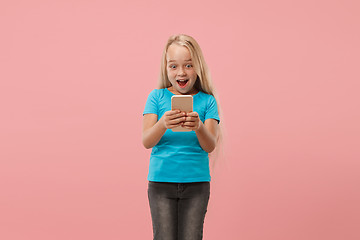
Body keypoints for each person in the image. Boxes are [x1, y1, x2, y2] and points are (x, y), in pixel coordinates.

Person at [142, 34, 221, 240]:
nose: (181, 72)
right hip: (161, 183)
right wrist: (163, 124)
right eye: (173, 66)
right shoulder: (156, 97)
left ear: (198, 67)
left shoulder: (208, 101)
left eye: (188, 65)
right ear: (166, 68)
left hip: (197, 184)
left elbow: (210, 145)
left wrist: (199, 127)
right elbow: (147, 141)